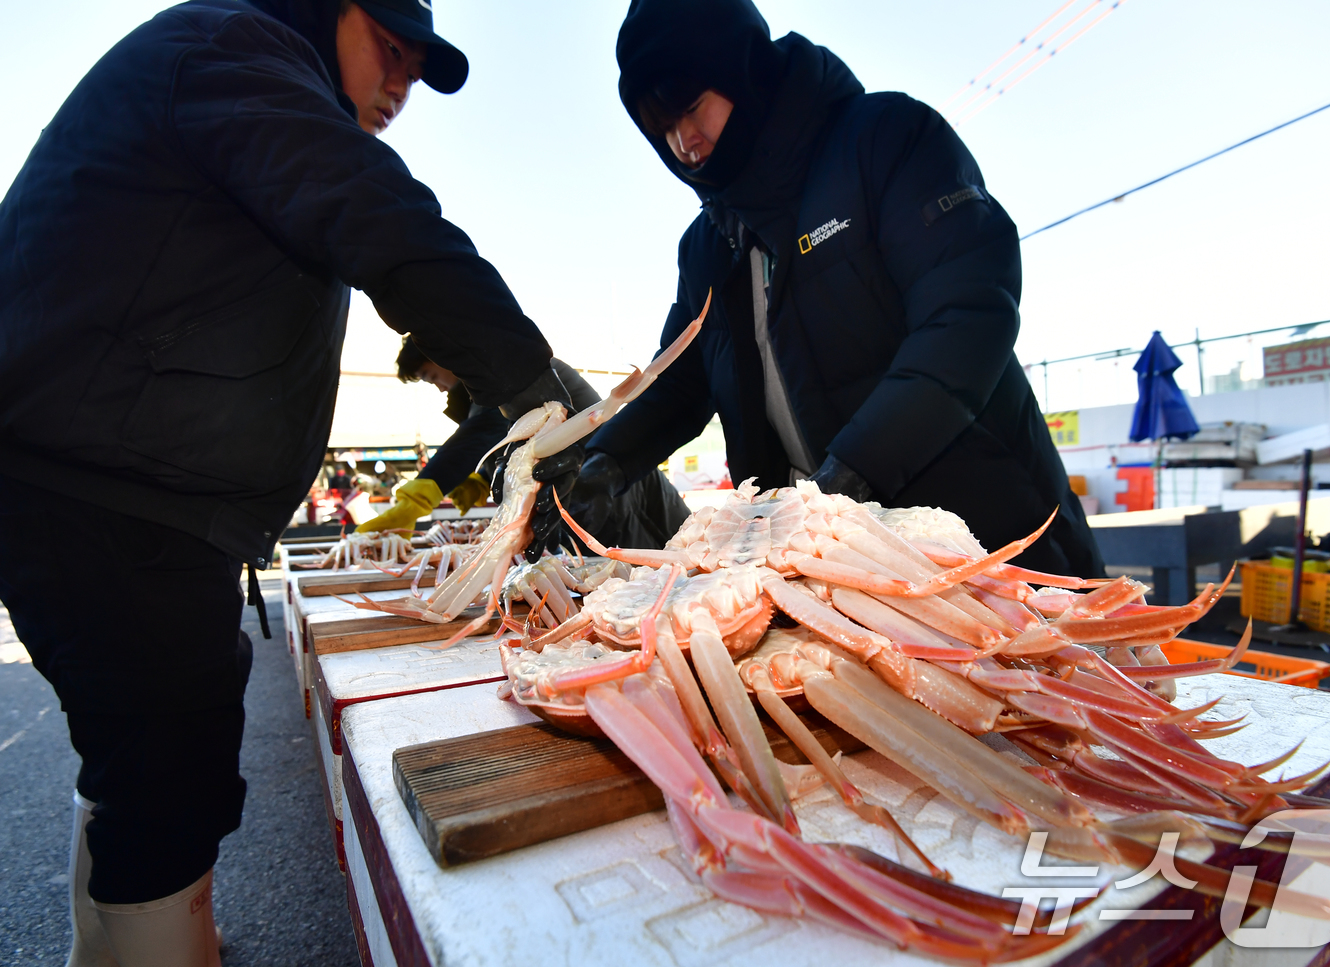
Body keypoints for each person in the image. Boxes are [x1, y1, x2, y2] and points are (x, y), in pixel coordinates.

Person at [0, 1, 581, 964]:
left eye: (415, 69)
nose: (400, 86)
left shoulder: (239, 78)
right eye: (389, 51)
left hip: (116, 483)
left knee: (140, 751)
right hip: (101, 486)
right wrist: (533, 386)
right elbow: (376, 213)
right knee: (166, 767)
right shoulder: (239, 51)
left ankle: (113, 949)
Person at [576, 0, 1103, 576]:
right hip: (830, 574)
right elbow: (679, 384)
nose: (684, 142)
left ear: (743, 70)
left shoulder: (887, 141)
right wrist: (607, 459)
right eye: (663, 128)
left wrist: (856, 468)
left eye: (691, 109)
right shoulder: (707, 245)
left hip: (989, 555)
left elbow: (967, 315)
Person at [359, 338, 691, 549]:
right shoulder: (488, 385)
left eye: (433, 377)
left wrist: (421, 494)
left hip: (621, 494)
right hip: (591, 500)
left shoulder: (513, 374)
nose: (440, 388)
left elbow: (485, 428)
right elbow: (508, 441)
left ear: (442, 353)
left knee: (667, 579)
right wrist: (480, 478)